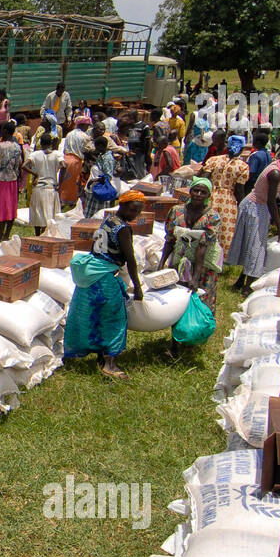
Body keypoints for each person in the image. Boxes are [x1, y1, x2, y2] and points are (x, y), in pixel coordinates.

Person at [65, 192, 145, 380]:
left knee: (91, 315)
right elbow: (131, 260)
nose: (135, 215)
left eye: (138, 212)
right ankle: (109, 363)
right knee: (114, 318)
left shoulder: (109, 219)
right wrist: (138, 287)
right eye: (133, 210)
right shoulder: (123, 228)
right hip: (105, 279)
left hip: (92, 274)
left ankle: (98, 354)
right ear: (123, 205)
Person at [160, 179, 222, 357]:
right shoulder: (177, 211)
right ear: (190, 191)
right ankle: (175, 344)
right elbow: (169, 239)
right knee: (178, 302)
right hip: (180, 263)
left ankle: (193, 338)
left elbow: (203, 246)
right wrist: (161, 265)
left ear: (208, 196)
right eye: (195, 191)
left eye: (203, 192)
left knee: (199, 302)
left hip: (202, 267)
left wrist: (195, 276)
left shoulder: (212, 217)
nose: (198, 195)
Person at [229, 146, 280, 293]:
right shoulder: (275, 172)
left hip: (258, 206)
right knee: (257, 247)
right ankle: (247, 287)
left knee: (253, 245)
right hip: (255, 207)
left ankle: (240, 282)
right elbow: (271, 201)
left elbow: (273, 194)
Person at [201, 133, 250, 259]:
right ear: (242, 149)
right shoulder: (243, 167)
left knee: (205, 225)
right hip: (227, 202)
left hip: (210, 196)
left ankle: (201, 253)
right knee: (223, 230)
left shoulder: (214, 160)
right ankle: (216, 259)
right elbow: (239, 190)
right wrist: (242, 205)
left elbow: (205, 179)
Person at [0, 120, 23, 244]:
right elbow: (19, 164)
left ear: (5, 131)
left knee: (1, 208)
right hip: (12, 180)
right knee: (10, 209)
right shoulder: (17, 147)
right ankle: (6, 235)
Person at [28, 132, 62, 236]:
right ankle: (47, 235)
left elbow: (24, 166)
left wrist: (36, 175)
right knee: (50, 214)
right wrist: (60, 182)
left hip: (39, 187)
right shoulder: (57, 154)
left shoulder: (35, 154)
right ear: (51, 143)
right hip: (51, 187)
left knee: (37, 214)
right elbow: (64, 165)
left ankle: (38, 235)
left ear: (41, 143)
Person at [83, 135, 119, 217]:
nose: (95, 149)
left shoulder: (107, 159)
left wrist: (94, 181)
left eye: (96, 146)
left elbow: (108, 176)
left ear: (101, 146)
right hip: (94, 189)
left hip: (100, 190)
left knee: (97, 216)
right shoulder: (101, 156)